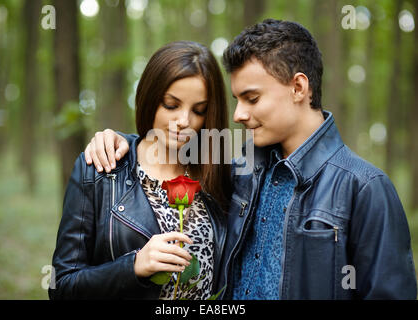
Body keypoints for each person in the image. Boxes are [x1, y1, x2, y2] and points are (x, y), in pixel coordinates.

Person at [84, 19, 417, 299]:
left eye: (252, 98)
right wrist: (120, 141)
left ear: (299, 88)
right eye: (236, 99)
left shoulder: (365, 189)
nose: (240, 114)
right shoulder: (242, 169)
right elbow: (167, 147)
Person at [49, 41, 232, 300]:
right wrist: (133, 266)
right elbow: (62, 287)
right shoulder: (100, 170)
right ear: (149, 97)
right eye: (171, 105)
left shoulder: (220, 179)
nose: (184, 122)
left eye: (198, 110)